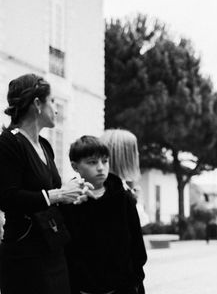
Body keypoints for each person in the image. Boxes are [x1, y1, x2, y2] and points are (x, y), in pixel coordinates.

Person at [0, 74, 91, 294]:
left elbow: (52, 192)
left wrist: (73, 194)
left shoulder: (45, 145)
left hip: (53, 246)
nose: (56, 109)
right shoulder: (8, 142)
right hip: (24, 254)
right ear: (37, 104)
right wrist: (58, 194)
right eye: (52, 102)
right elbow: (7, 198)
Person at [60, 135, 147, 294]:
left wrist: (134, 282)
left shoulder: (124, 198)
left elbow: (137, 247)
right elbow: (66, 250)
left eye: (105, 161)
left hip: (123, 288)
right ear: (75, 166)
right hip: (82, 289)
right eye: (92, 162)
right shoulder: (68, 201)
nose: (101, 167)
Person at [101, 129, 149, 226]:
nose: (138, 154)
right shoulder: (117, 190)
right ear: (124, 156)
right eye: (134, 150)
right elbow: (136, 223)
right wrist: (137, 202)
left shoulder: (101, 183)